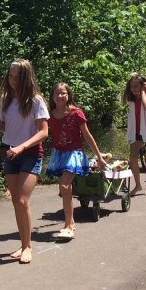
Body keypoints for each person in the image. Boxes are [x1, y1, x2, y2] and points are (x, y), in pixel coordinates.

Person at [0, 59, 49, 264]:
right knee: (16, 202)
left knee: (23, 200)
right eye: (10, 76)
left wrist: (22, 146)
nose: (13, 80)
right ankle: (23, 244)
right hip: (10, 153)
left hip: (30, 153)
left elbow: (44, 132)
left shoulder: (36, 100)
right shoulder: (5, 99)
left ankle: (27, 247)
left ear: (26, 78)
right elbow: (4, 127)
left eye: (17, 77)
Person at [45, 83, 108, 240]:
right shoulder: (49, 114)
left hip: (74, 153)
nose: (60, 96)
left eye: (63, 93)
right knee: (65, 188)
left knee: (65, 185)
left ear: (68, 95)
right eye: (57, 93)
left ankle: (69, 225)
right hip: (59, 154)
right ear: (52, 96)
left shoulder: (76, 113)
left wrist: (99, 156)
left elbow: (87, 135)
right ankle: (70, 221)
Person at [124, 73, 146, 196]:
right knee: (133, 158)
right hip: (136, 131)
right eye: (131, 86)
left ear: (143, 86)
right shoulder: (132, 98)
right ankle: (138, 185)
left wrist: (144, 91)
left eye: (136, 86)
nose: (133, 89)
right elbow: (124, 99)